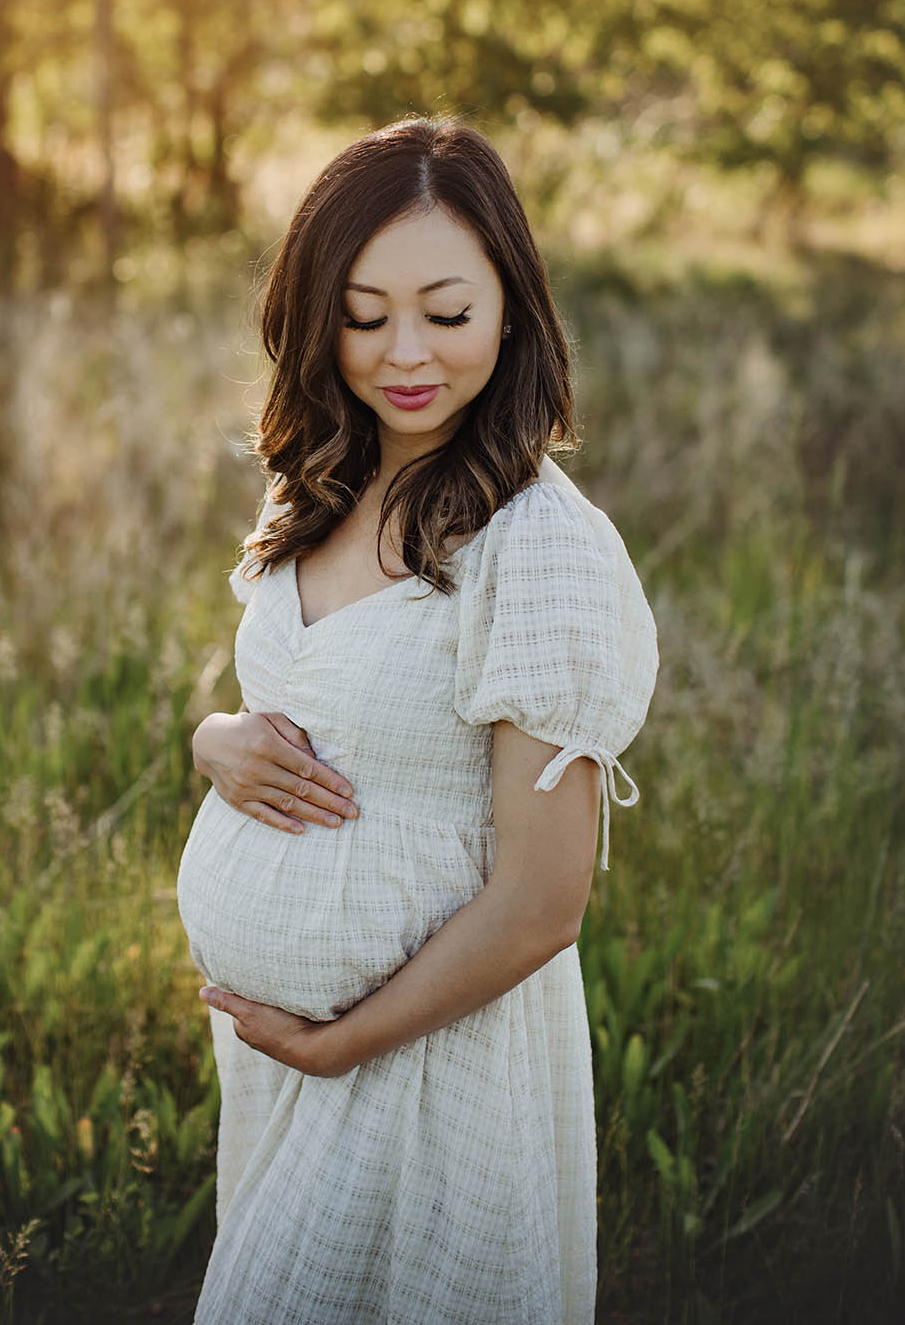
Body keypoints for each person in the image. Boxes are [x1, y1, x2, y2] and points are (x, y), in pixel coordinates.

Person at [175, 117, 658, 1325]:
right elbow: (323, 700)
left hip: (424, 1064)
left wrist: (347, 1042)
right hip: (279, 1068)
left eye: (447, 315)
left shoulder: (536, 546)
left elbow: (545, 901)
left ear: (511, 312)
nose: (405, 355)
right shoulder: (320, 481)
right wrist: (214, 742)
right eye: (362, 311)